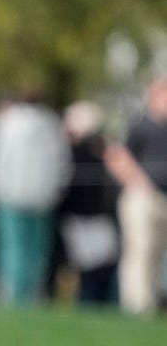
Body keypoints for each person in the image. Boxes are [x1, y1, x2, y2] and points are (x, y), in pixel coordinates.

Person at [0, 90, 72, 305]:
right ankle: (30, 295)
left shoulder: (8, 122)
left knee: (13, 250)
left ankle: (15, 297)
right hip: (41, 197)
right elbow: (62, 164)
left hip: (10, 196)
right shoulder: (51, 123)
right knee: (37, 252)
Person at [105, 75, 167, 316]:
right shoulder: (140, 125)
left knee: (157, 254)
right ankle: (137, 305)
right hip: (143, 198)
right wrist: (138, 181)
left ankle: (152, 302)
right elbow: (116, 156)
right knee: (141, 250)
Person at [56, 101, 120, 305]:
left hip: (90, 220)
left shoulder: (87, 152)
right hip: (83, 220)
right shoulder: (87, 151)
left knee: (93, 272)